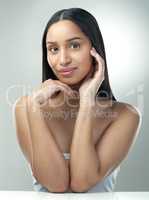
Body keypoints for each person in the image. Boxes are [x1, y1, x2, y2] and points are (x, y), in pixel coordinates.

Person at [14, 8, 141, 193]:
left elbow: (82, 182)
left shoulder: (125, 115)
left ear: (94, 48)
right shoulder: (26, 106)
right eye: (54, 49)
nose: (63, 60)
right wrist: (33, 106)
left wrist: (87, 101)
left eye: (74, 45)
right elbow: (55, 184)